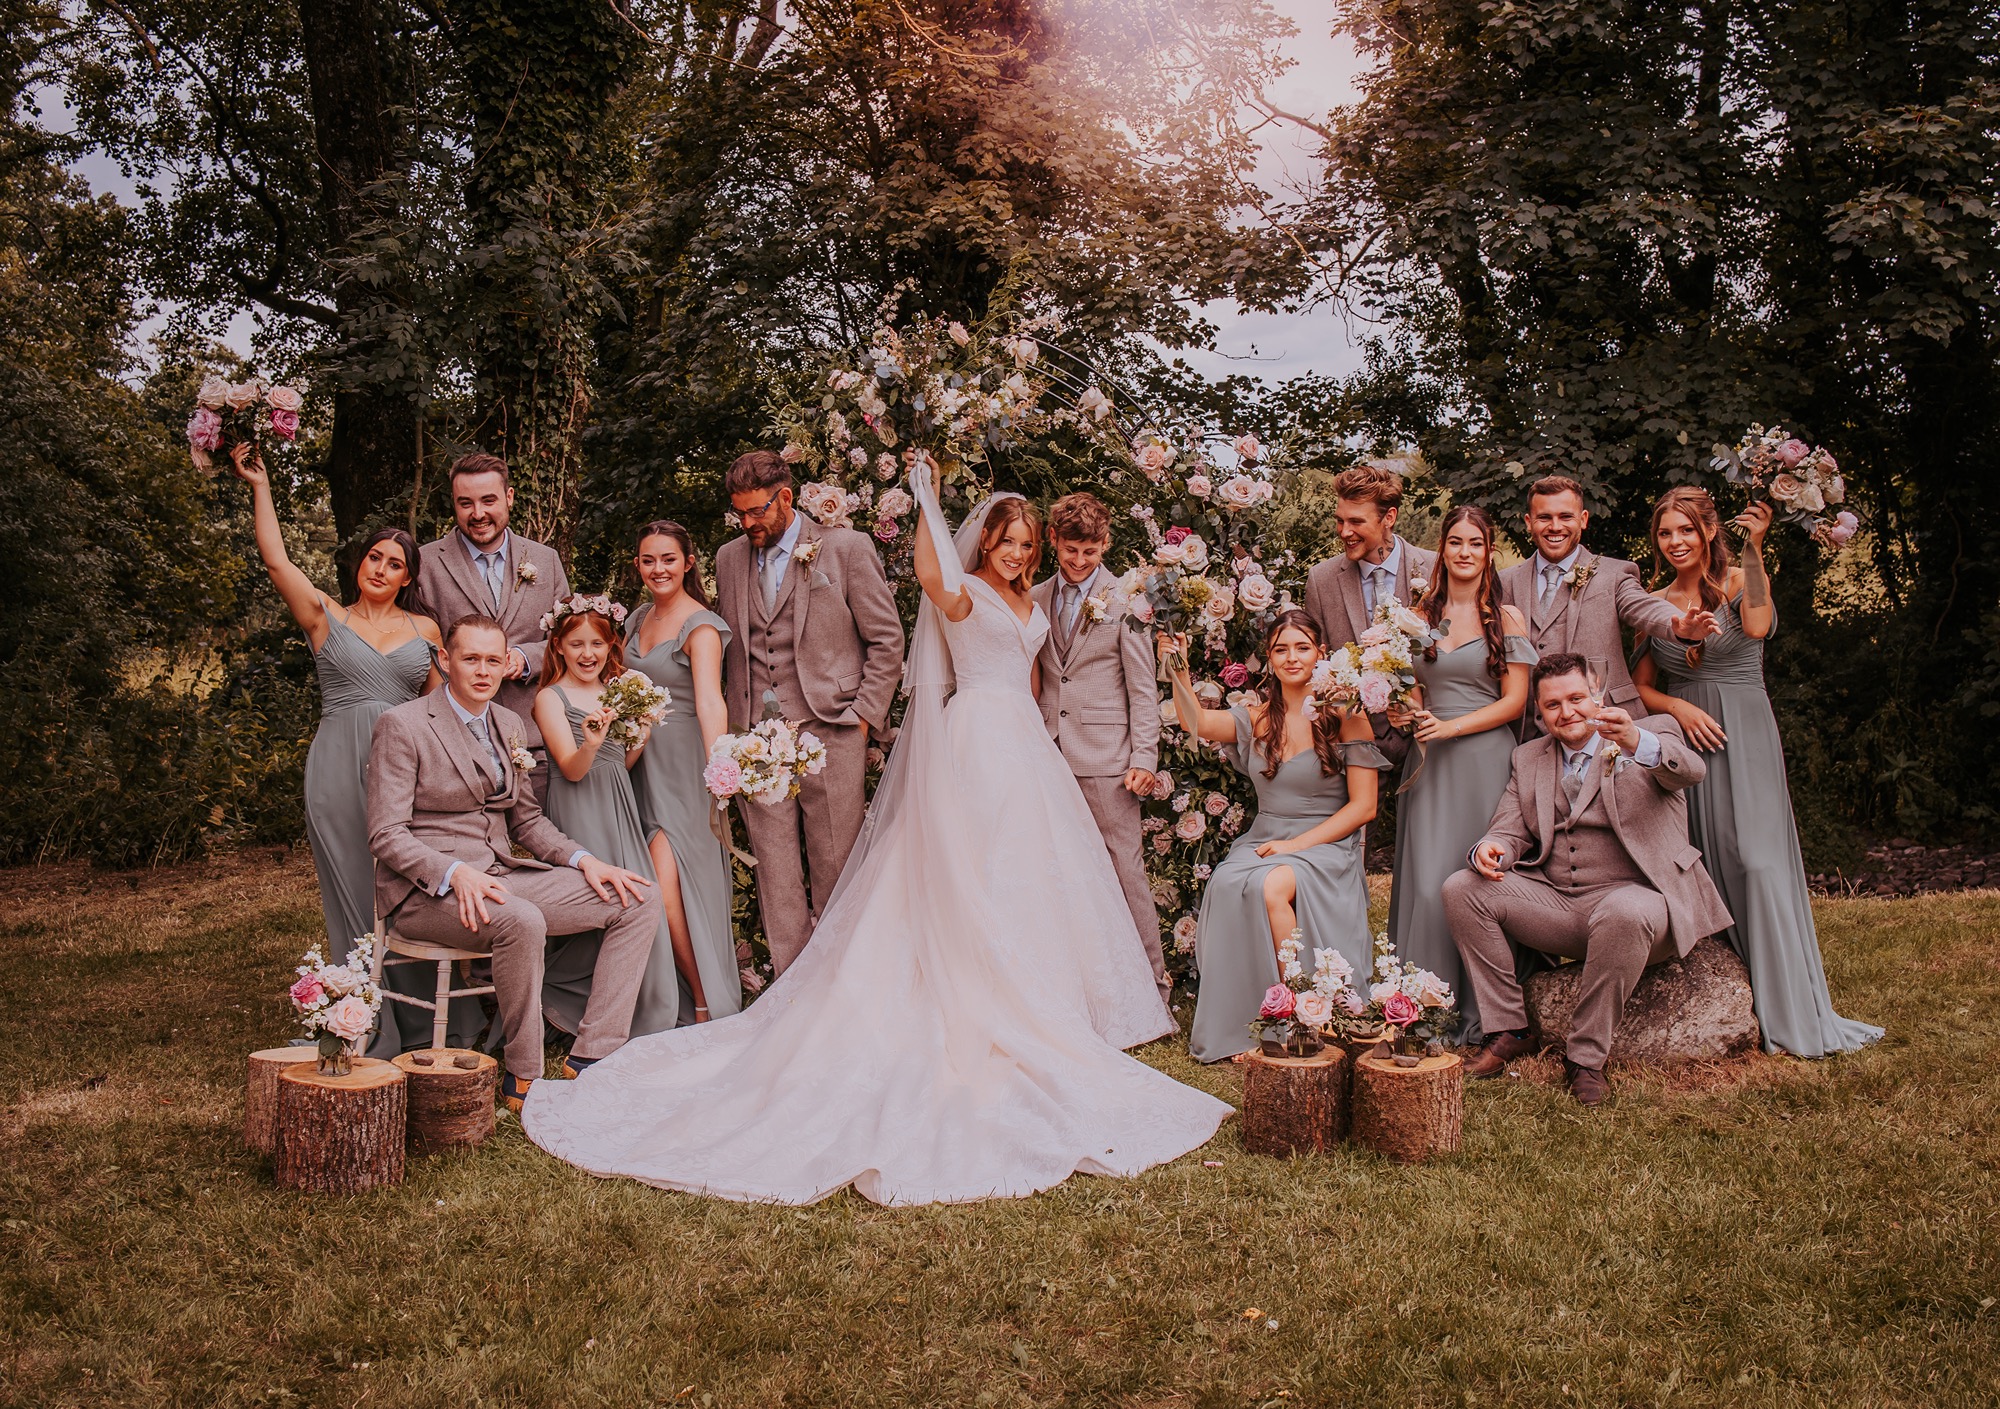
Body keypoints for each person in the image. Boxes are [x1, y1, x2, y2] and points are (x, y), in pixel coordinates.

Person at [522, 463, 1230, 1205]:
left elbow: (1028, 678)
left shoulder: (1034, 599)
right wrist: (925, 499)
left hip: (1026, 748)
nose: (1020, 553)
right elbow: (928, 575)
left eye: (1027, 544)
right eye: (1008, 541)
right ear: (983, 540)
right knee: (951, 876)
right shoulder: (961, 590)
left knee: (1030, 876)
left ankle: (1054, 1003)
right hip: (973, 742)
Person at [367, 615, 660, 1112]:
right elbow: (385, 833)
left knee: (638, 896)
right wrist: (454, 873)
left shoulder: (508, 724)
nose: (483, 671)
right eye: (470, 659)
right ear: (445, 661)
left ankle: (592, 1055)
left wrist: (586, 861)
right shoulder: (404, 724)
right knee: (522, 921)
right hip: (429, 893)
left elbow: (526, 822)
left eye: (492, 660)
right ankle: (523, 1075)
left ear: (507, 664)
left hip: (502, 875)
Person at [1632, 488, 1883, 1058]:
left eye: (1686, 531)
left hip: (1745, 733)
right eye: (1666, 533)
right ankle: (1733, 997)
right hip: (1691, 740)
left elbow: (1762, 625)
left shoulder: (1741, 581)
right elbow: (1642, 684)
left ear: (1708, 532)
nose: (1675, 542)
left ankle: (1788, 1003)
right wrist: (1680, 707)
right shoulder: (1654, 602)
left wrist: (1755, 547)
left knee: (1758, 861)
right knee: (1710, 858)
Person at [1441, 653, 1734, 1105]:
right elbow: (1508, 828)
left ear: (1596, 695)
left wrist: (1638, 741)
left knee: (1625, 910)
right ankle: (1510, 1030)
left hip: (1639, 905)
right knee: (1462, 888)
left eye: (1577, 698)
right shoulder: (1528, 757)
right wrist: (1491, 847)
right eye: (1553, 705)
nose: (1567, 712)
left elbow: (1690, 771)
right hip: (1559, 904)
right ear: (1540, 712)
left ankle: (1585, 1059)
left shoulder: (1651, 733)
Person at [229, 444, 439, 971]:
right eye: (375, 557)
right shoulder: (326, 616)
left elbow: (440, 711)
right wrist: (260, 486)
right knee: (352, 877)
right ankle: (360, 1005)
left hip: (401, 765)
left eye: (395, 565)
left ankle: (416, 1008)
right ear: (361, 561)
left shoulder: (427, 631)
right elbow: (277, 561)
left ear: (408, 578)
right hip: (337, 764)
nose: (381, 569)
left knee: (401, 877)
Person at [1161, 610, 1386, 1064]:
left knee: (1270, 885)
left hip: (1324, 844)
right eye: (1281, 649)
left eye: (1302, 647)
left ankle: (1305, 1015)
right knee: (1225, 884)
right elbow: (1196, 723)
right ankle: (1251, 1017)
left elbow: (1364, 807)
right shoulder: (1257, 716)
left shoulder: (1345, 714)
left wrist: (1296, 846)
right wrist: (1177, 668)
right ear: (1269, 658)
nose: (1292, 657)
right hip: (1266, 836)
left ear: (1321, 654)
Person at [712, 450, 905, 975]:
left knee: (837, 865)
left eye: (758, 511)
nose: (749, 523)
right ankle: (792, 996)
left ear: (787, 498)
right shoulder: (728, 559)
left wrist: (863, 717)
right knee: (776, 874)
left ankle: (845, 985)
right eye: (740, 514)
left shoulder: (845, 548)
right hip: (757, 742)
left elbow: (886, 640)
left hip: (833, 729)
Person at [1383, 506, 1535, 1044]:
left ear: (1488, 551)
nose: (1465, 551)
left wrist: (1454, 728)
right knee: (1426, 884)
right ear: (1442, 549)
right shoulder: (1416, 616)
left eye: (1475, 542)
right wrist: (1407, 710)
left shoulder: (1507, 619)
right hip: (1429, 762)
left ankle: (1487, 1015)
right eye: (1455, 542)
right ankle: (1419, 1010)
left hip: (1484, 761)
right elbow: (1412, 689)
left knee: (1475, 880)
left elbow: (1515, 702)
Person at [1031, 492, 1171, 1003]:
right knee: (1059, 872)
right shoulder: (1036, 595)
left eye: (1090, 551)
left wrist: (1144, 761)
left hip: (1109, 760)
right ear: (1053, 541)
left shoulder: (1127, 598)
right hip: (1047, 754)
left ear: (1105, 543)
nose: (1079, 561)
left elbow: (1142, 689)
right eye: (1070, 549)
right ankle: (1080, 987)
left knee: (1125, 870)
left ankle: (1153, 984)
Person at [531, 597, 679, 1048]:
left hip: (618, 802)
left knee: (637, 902)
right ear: (558, 647)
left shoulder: (618, 691)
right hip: (578, 807)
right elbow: (573, 768)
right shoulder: (549, 698)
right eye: (576, 644)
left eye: (597, 643)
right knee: (596, 903)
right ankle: (558, 1003)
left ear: (611, 644)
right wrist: (593, 741)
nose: (587, 653)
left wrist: (641, 734)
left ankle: (633, 1011)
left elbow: (622, 762)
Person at [622, 521, 739, 1030]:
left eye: (668, 559)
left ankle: (705, 999)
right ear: (638, 566)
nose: (658, 569)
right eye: (649, 560)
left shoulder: (701, 625)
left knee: (666, 888)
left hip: (686, 769)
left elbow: (712, 699)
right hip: (637, 765)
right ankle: (667, 996)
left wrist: (721, 768)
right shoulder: (636, 618)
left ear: (688, 562)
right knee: (643, 886)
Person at [1499, 474, 1714, 732]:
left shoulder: (1614, 574)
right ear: (1528, 522)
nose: (1555, 527)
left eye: (1566, 517)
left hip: (1604, 728)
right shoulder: (1505, 582)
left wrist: (1678, 626)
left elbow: (1642, 606)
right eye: (1544, 518)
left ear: (1583, 519)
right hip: (1525, 734)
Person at [411, 453, 568, 774]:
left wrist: (527, 657)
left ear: (509, 497)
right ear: (453, 503)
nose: (478, 513)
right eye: (465, 503)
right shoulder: (425, 564)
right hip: (455, 744)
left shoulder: (546, 559)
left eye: (488, 500)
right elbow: (418, 650)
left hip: (534, 739)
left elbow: (568, 639)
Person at [1302, 462, 1439, 764]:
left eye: (1356, 522)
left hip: (1433, 744)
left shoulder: (1435, 570)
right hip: (1356, 748)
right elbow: (1316, 667)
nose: (1344, 532)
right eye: (1339, 521)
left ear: (1389, 517)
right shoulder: (1321, 580)